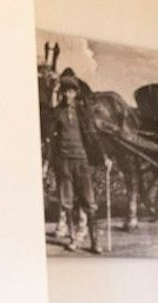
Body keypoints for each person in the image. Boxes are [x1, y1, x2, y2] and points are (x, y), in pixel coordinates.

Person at [48, 68, 104, 255]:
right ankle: (73, 239)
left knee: (90, 203)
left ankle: (95, 242)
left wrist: (104, 158)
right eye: (65, 91)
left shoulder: (83, 112)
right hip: (64, 162)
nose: (68, 94)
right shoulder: (56, 113)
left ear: (75, 93)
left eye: (71, 91)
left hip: (82, 161)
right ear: (61, 93)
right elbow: (51, 139)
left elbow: (93, 136)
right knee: (67, 203)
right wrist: (49, 163)